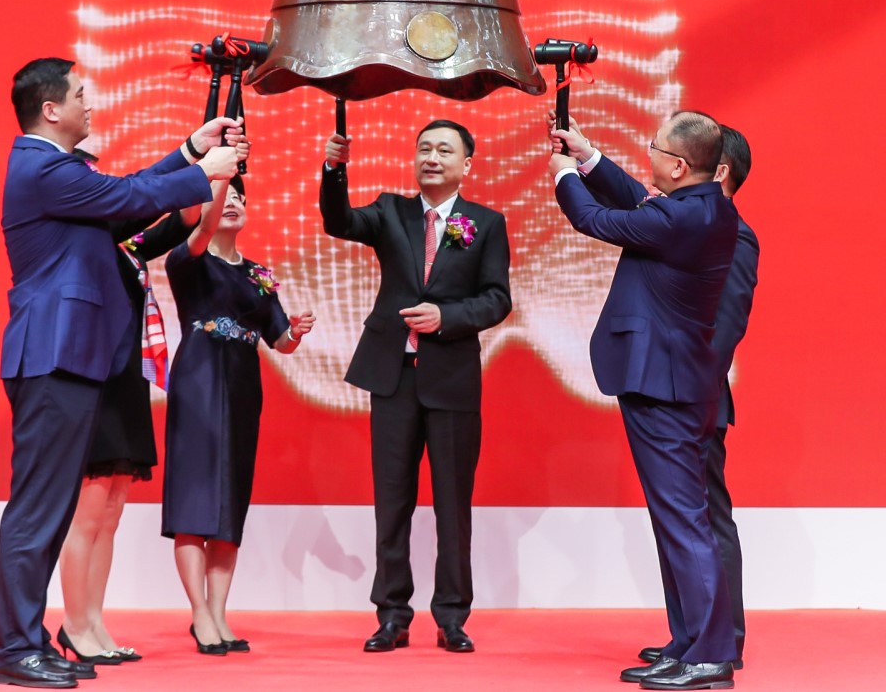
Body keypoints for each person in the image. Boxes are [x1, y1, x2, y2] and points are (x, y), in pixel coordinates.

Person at [0, 57, 242, 689]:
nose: (90, 104)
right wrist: (202, 173)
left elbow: (125, 202)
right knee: (37, 511)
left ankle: (29, 640)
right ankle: (14, 649)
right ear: (51, 108)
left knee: (52, 511)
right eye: (81, 95)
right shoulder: (41, 167)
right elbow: (129, 197)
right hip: (52, 355)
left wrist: (190, 151)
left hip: (74, 357)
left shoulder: (61, 171)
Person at [548, 110, 739, 692]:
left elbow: (595, 219)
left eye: (654, 147)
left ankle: (709, 656)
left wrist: (564, 176)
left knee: (683, 520)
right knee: (675, 519)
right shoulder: (700, 208)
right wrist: (587, 156)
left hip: (665, 386)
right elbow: (639, 203)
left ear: (678, 166)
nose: (648, 154)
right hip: (671, 381)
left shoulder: (682, 217)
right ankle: (689, 643)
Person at [321, 120, 511, 655]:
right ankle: (392, 616)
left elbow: (497, 298)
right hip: (393, 377)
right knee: (392, 502)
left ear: (466, 164)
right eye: (424, 148)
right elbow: (339, 220)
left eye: (444, 150)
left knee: (453, 504)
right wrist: (334, 169)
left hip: (451, 379)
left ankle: (452, 617)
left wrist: (447, 317)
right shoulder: (391, 211)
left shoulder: (485, 223)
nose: (432, 157)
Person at [162, 171, 314, 655]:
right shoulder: (188, 258)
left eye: (238, 198)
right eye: (223, 196)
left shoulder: (258, 274)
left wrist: (295, 331)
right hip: (198, 383)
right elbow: (200, 231)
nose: (232, 203)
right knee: (194, 501)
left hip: (244, 386)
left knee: (231, 500)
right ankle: (199, 614)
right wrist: (216, 178)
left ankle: (219, 613)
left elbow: (280, 342)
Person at [55, 184, 196, 667]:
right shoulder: (77, 243)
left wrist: (209, 171)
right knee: (88, 514)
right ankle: (74, 624)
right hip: (92, 385)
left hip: (126, 386)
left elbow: (182, 220)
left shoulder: (126, 248)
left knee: (111, 514)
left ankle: (94, 621)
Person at [636, 125, 759, 672]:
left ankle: (721, 642)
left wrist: (687, 392)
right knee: (679, 522)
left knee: (704, 520)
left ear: (718, 171)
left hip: (693, 399)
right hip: (670, 394)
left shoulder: (733, 235)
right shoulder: (684, 225)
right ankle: (689, 637)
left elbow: (725, 328)